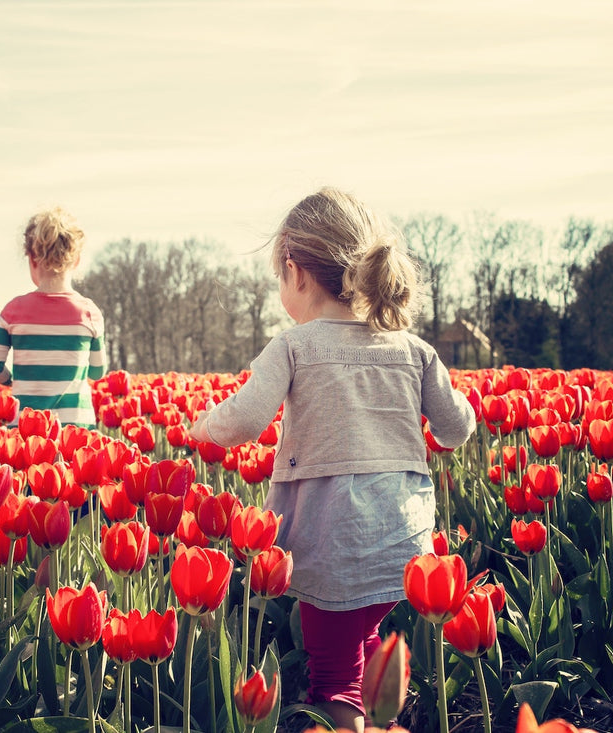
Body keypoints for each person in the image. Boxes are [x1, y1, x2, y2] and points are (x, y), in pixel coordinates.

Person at [189, 187, 475, 732]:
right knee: (364, 640)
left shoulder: (294, 346)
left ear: (295, 271)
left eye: (280, 277)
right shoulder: (413, 349)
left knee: (335, 674)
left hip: (333, 539)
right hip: (404, 540)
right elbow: (457, 428)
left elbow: (244, 421)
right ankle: (378, 718)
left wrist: (203, 425)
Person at [0, 206, 107, 428]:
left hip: (26, 427)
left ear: (32, 259)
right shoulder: (89, 313)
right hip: (75, 426)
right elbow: (98, 372)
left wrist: (12, 381)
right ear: (76, 260)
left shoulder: (14, 311)